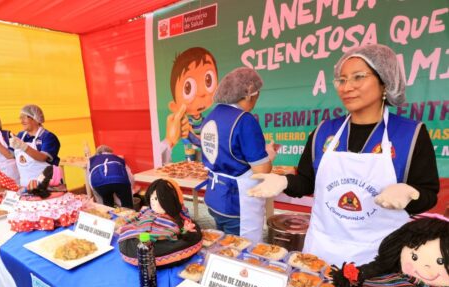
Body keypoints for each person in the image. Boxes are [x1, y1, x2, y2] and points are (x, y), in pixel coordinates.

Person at [249, 44, 439, 266]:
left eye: (358, 77)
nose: (346, 87)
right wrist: (284, 181)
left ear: (384, 82)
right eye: (341, 79)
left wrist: (410, 195)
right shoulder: (324, 132)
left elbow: (428, 195)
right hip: (321, 252)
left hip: (380, 257)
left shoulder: (410, 134)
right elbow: (307, 183)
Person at [200, 67, 276, 243]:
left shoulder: (211, 116)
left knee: (223, 246)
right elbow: (261, 169)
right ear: (249, 93)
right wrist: (269, 155)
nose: (256, 100)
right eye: (257, 95)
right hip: (238, 204)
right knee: (243, 253)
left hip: (215, 197)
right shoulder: (245, 120)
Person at [162, 47, 219, 164]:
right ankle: (190, 162)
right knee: (190, 156)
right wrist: (171, 140)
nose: (202, 93)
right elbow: (189, 135)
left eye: (208, 80)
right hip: (189, 144)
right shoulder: (184, 125)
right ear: (174, 106)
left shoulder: (207, 120)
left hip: (202, 147)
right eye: (188, 88)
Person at [10, 104, 61, 187]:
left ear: (36, 119)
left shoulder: (48, 136)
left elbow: (42, 157)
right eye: (20, 118)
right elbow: (9, 155)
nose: (21, 121)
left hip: (46, 186)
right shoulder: (20, 135)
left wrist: (23, 147)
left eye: (25, 117)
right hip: (25, 186)